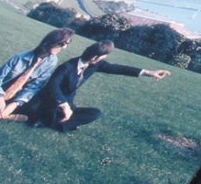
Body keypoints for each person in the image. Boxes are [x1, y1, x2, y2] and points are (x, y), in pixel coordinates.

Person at [27, 41, 169, 132]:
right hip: (50, 103)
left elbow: (118, 68)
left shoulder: (95, 65)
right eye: (103, 56)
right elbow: (52, 87)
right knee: (51, 112)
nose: (105, 59)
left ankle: (57, 123)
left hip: (69, 105)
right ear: (95, 57)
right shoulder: (67, 67)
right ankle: (49, 120)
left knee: (95, 113)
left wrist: (149, 73)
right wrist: (64, 106)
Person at [0, 27, 74, 122]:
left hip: (16, 96)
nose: (64, 48)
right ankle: (5, 116)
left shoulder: (52, 61)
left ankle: (3, 112)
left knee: (35, 108)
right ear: (52, 41)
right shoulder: (20, 57)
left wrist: (14, 104)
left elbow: (34, 87)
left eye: (67, 45)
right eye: (62, 44)